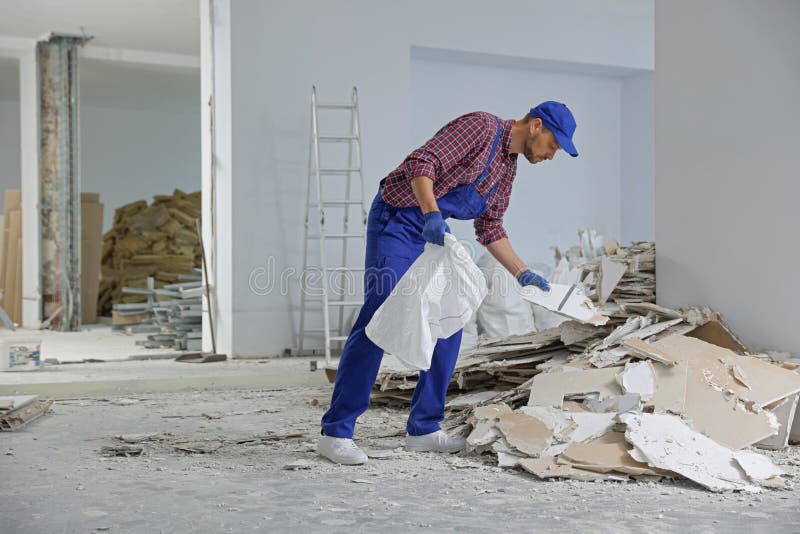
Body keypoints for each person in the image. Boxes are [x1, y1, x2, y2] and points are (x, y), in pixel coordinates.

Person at [318, 101, 579, 464]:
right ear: (536, 126)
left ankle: (424, 428)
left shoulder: (507, 170)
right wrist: (432, 214)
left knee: (450, 317)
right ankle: (336, 432)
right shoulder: (482, 128)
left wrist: (522, 272)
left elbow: (490, 228)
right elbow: (421, 165)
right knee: (379, 316)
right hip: (397, 220)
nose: (553, 155)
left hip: (432, 232)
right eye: (554, 145)